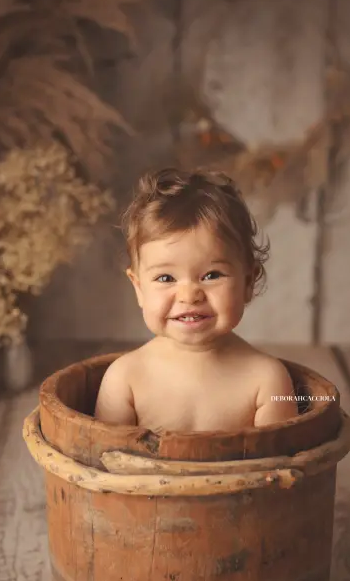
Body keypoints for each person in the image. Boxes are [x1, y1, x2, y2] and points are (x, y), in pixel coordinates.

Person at [94, 167, 298, 432]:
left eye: (212, 275)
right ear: (139, 288)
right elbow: (103, 464)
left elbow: (278, 466)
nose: (189, 295)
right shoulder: (125, 379)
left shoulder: (266, 380)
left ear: (248, 282)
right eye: (166, 278)